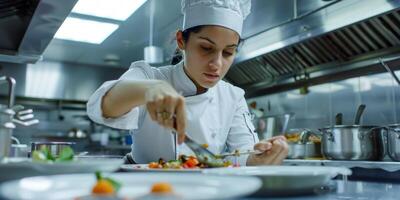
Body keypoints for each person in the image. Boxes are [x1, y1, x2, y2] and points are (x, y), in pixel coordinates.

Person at [87, 0, 288, 166]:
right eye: (206, 48)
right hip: (144, 187)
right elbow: (101, 107)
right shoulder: (149, 76)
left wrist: (262, 158)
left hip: (205, 188)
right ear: (181, 41)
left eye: (228, 52)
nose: (216, 64)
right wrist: (151, 90)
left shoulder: (233, 96)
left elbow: (244, 154)